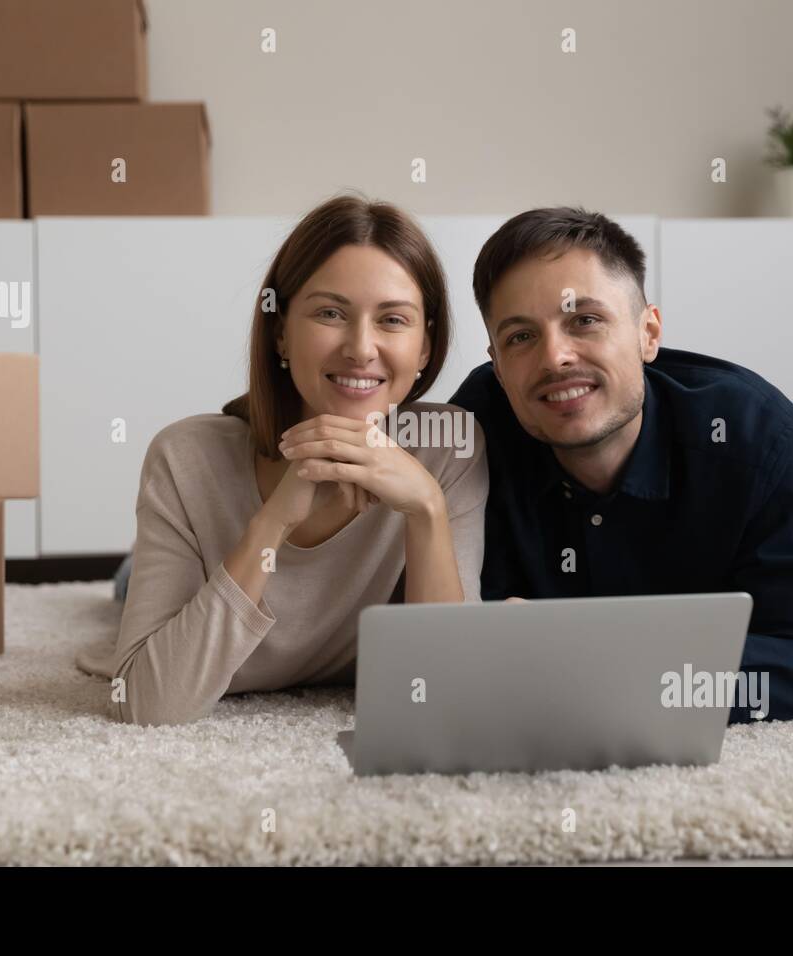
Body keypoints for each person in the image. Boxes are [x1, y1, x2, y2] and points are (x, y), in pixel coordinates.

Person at [79, 195, 488, 726]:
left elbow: (445, 694)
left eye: (393, 319)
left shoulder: (449, 446)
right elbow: (148, 704)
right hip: (205, 557)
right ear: (280, 332)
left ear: (426, 348)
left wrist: (427, 508)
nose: (361, 348)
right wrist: (274, 520)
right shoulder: (184, 458)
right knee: (130, 586)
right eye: (330, 313)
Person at [448, 207, 793, 723]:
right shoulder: (471, 438)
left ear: (649, 334)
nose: (555, 358)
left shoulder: (750, 435)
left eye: (585, 321)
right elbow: (450, 655)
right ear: (498, 367)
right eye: (521, 337)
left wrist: (603, 656)